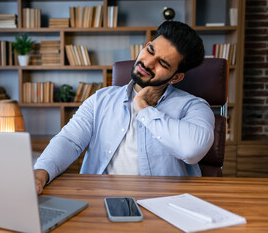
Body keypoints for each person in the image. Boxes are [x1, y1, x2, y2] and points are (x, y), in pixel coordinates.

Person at [34, 21, 214, 194]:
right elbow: (69, 140)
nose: (148, 62)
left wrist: (144, 108)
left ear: (175, 77)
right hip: (99, 199)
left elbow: (192, 150)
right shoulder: (101, 99)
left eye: (162, 63)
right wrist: (41, 173)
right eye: (150, 50)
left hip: (162, 204)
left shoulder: (193, 107)